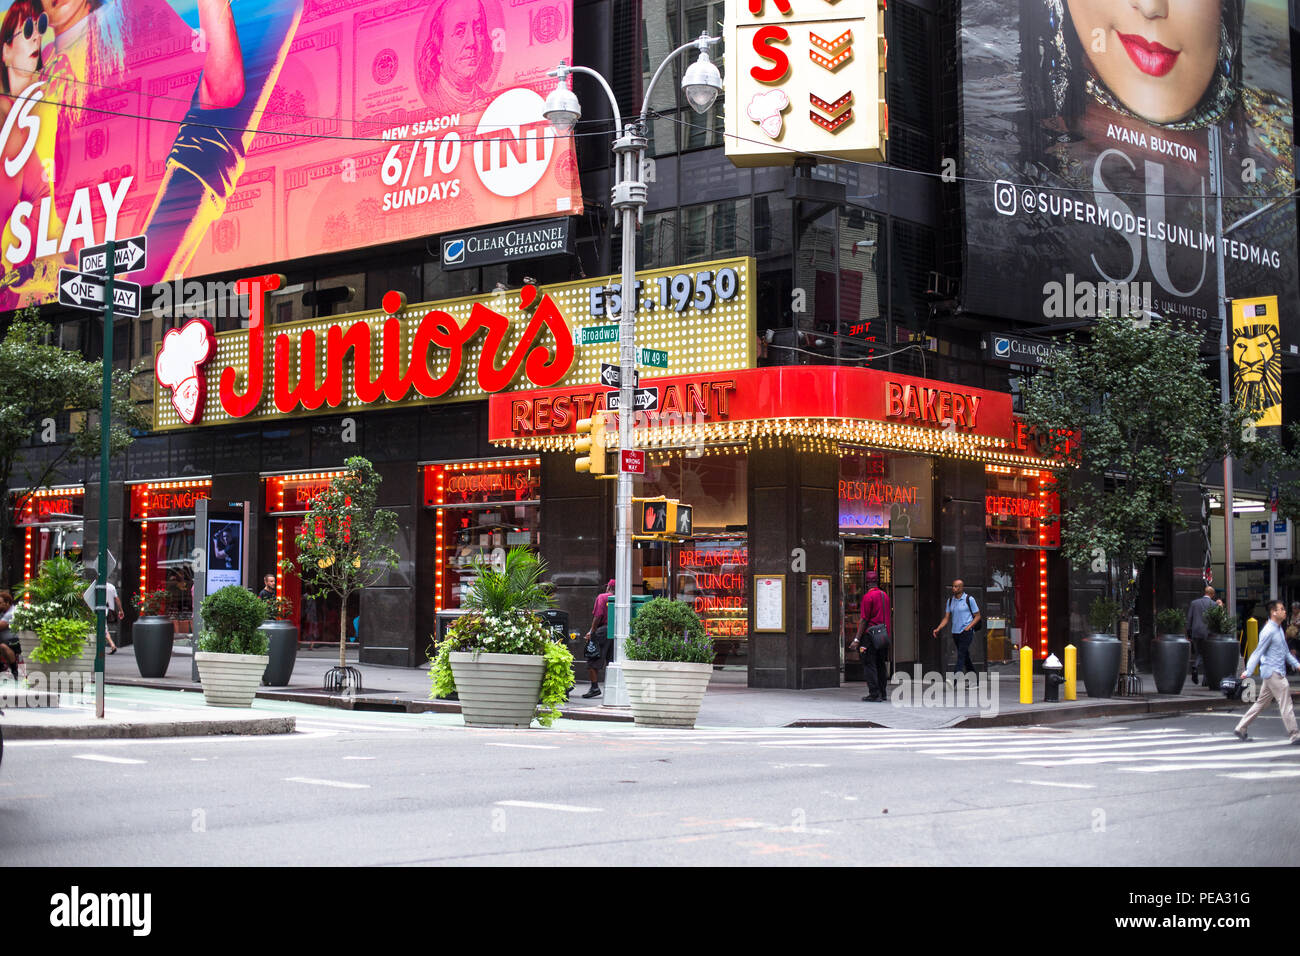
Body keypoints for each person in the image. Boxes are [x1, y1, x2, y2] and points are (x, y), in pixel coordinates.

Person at [1232, 599, 1300, 744]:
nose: (1284, 611)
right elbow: (1258, 652)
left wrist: (1297, 665)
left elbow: (1286, 652)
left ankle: (1241, 728)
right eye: (1281, 609)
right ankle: (1295, 734)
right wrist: (1248, 671)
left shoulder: (1279, 629)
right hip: (1274, 672)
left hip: (1272, 672)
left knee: (1261, 703)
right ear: (1273, 612)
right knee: (1285, 702)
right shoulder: (1268, 631)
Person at [415, 0, 493, 114]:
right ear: (439, 47)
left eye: (478, 29)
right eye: (459, 32)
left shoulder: (488, 100)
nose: (472, 42)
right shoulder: (433, 99)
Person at [850, 570, 890, 702]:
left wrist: (856, 639)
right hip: (883, 635)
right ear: (876, 582)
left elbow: (864, 620)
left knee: (869, 664)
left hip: (870, 636)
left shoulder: (868, 597)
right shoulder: (885, 595)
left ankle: (874, 693)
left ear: (867, 583)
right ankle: (883, 693)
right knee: (880, 664)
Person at [934, 579, 981, 680]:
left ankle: (953, 680)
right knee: (965, 657)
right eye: (953, 586)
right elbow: (946, 618)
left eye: (956, 586)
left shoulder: (969, 599)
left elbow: (977, 616)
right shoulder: (950, 601)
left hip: (966, 632)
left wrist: (969, 627)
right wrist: (938, 628)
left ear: (961, 587)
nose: (953, 588)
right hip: (955, 633)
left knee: (960, 656)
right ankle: (974, 681)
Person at [580, 579, 615, 699]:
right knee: (611, 661)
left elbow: (598, 616)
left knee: (592, 658)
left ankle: (594, 687)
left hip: (603, 631)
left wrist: (592, 631)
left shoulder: (603, 597)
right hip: (617, 631)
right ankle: (612, 687)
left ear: (609, 587)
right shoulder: (621, 598)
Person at [1185, 585, 1216, 685]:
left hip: (1196, 632)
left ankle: (1196, 666)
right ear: (1211, 594)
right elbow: (1215, 620)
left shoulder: (1194, 603)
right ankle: (1204, 679)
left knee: (1199, 653)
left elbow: (1189, 618)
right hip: (1207, 633)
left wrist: (1188, 632)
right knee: (1207, 655)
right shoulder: (1213, 604)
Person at [81, 578, 121, 652]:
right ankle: (111, 645)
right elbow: (117, 599)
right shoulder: (111, 586)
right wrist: (121, 610)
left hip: (100, 610)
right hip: (109, 610)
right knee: (104, 627)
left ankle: (111, 645)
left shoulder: (96, 586)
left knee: (103, 628)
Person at [0, 589, 20, 678]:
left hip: (15, 641)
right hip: (6, 640)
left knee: (3, 646)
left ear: (7, 602)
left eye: (0, 603)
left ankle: (14, 670)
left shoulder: (11, 613)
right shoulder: (3, 612)